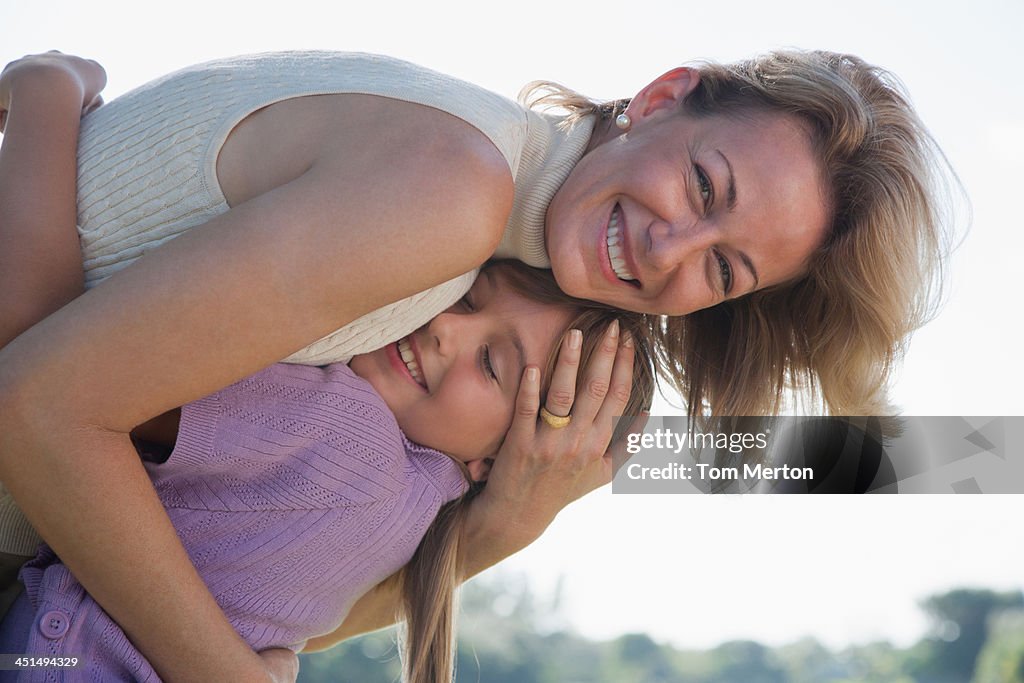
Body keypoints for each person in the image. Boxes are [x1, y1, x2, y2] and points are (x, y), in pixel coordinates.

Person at [0, 45, 952, 681]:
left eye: (722, 265)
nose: (669, 250)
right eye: (704, 183)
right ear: (662, 97)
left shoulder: (490, 226)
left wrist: (499, 529)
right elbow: (34, 404)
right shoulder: (453, 197)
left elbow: (241, 578)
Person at [0, 252, 654, 681]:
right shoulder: (409, 520)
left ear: (493, 458)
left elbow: (50, 359)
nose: (444, 330)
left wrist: (47, 96)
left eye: (493, 364)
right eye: (465, 297)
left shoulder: (339, 428)